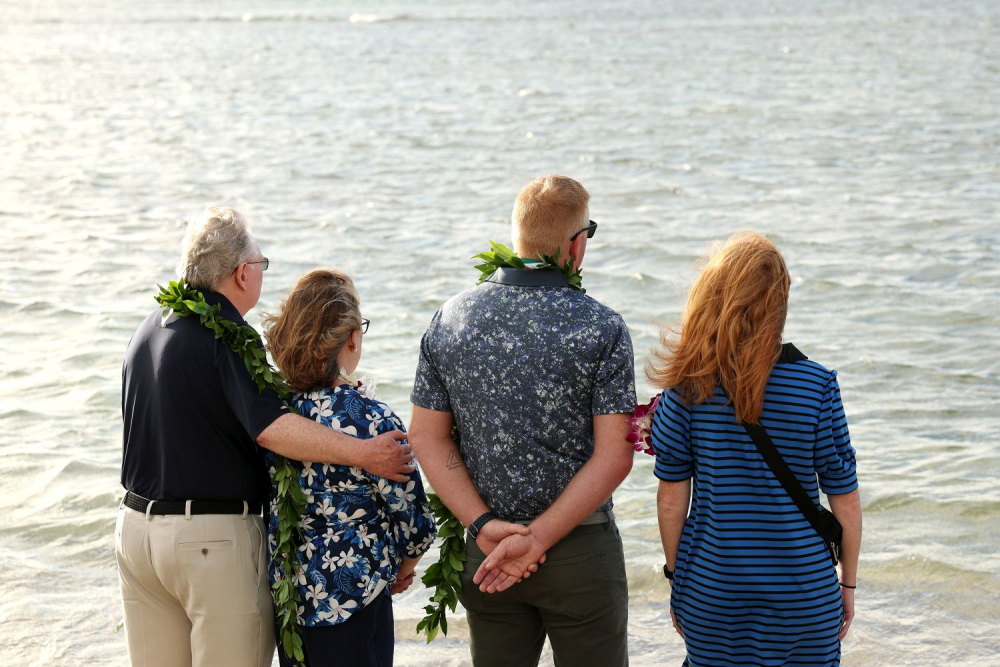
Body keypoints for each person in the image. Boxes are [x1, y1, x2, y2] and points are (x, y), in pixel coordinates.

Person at [117, 208, 416, 667]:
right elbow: (273, 428)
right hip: (206, 543)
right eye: (262, 265)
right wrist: (363, 453)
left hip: (136, 534)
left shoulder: (150, 327)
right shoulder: (228, 337)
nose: (261, 273)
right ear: (241, 273)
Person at [409, 175, 636, 667]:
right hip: (579, 551)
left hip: (488, 552)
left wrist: (484, 523)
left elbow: (427, 437)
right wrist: (538, 539)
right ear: (575, 246)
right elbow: (615, 455)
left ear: (518, 238)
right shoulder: (602, 325)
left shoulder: (451, 318)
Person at [650, 232, 863, 667]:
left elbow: (672, 499)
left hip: (712, 588)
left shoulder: (686, 391)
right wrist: (847, 585)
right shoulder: (817, 386)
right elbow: (846, 500)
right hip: (805, 592)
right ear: (780, 303)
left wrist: (679, 578)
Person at [262, 268, 437, 667]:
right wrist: (402, 571)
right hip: (357, 600)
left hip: (292, 605)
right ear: (352, 339)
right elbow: (417, 524)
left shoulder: (272, 418)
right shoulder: (372, 421)